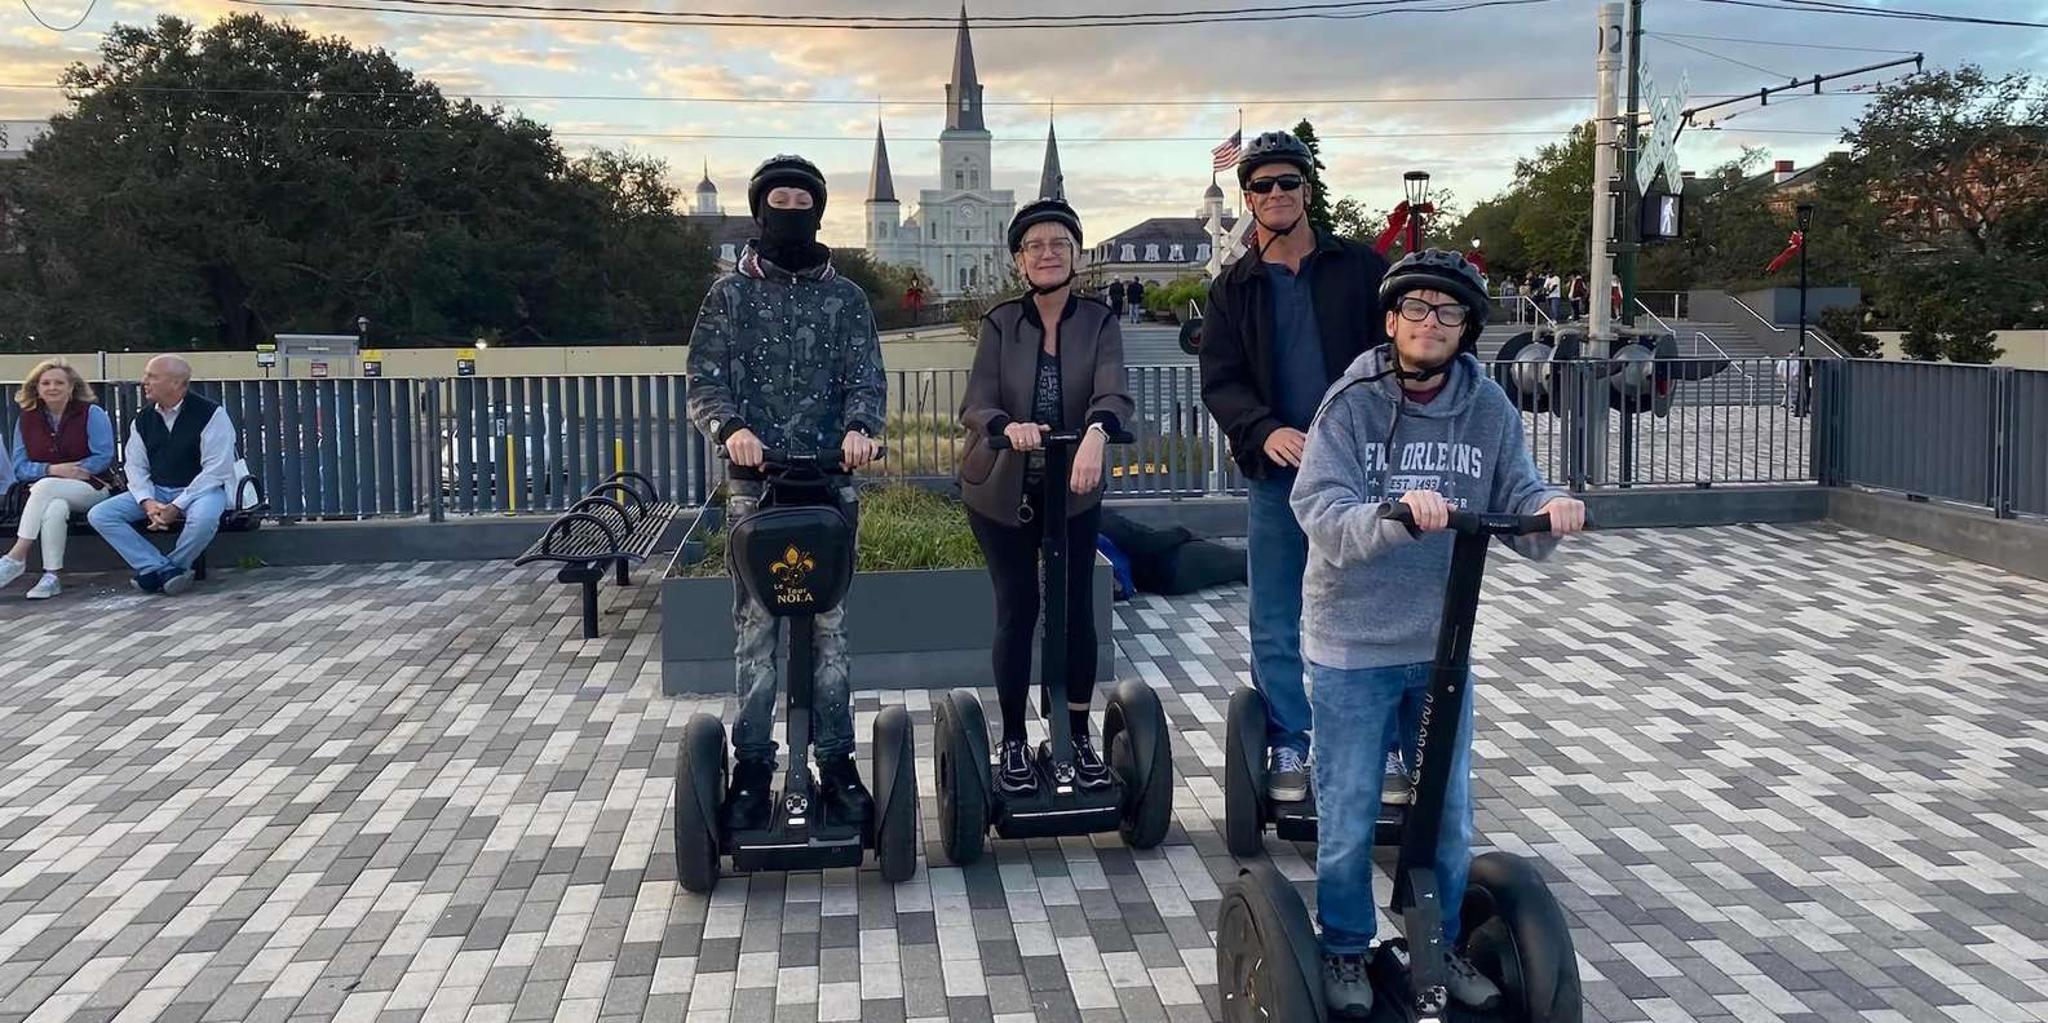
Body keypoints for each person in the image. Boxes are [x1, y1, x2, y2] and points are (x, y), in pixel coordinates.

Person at [1290, 248, 1586, 1015]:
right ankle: (1346, 949)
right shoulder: (1350, 402)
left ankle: (1440, 943)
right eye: (1415, 309)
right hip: (1353, 644)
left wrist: (1551, 505)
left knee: (1449, 812)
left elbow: (1517, 485)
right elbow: (1317, 507)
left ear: (1468, 328)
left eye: (1447, 312)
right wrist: (1391, 516)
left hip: (1440, 646)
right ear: (1392, 321)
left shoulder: (1487, 407)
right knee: (1351, 808)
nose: (1430, 323)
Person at [686, 153, 887, 834]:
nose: (791, 211)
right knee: (756, 628)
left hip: (831, 483)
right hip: (756, 488)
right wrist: (731, 428)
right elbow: (704, 382)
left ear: (819, 211)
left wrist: (862, 428)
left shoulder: (847, 299)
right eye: (780, 201)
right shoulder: (728, 296)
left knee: (830, 628)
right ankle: (751, 766)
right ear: (760, 208)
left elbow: (868, 380)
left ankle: (837, 762)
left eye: (804, 202)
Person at [1197, 129, 1393, 806]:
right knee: (1277, 616)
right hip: (1277, 473)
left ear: (1307, 191)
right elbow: (1220, 381)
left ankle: (1385, 745)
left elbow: (1395, 359)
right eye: (1261, 187)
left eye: (1287, 183)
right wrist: (1264, 428)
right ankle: (1290, 737)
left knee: (1374, 609)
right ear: (1247, 199)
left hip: (1358, 475)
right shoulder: (1234, 288)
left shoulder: (1364, 271)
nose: (1275, 195)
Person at [957, 198, 1135, 797]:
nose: (1048, 252)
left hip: (1073, 490)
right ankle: (1011, 738)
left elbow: (1113, 393)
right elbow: (976, 402)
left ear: (1076, 254)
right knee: (1019, 607)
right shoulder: (1001, 322)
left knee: (1075, 609)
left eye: (1060, 242)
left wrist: (1094, 433)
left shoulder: (1099, 322)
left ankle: (1075, 732)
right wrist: (1008, 426)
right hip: (1002, 490)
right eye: (1035, 245)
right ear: (1019, 261)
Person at [87, 355, 237, 595]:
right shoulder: (143, 419)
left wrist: (177, 506)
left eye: (152, 377)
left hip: (202, 491)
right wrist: (147, 502)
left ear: (177, 383)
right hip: (157, 490)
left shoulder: (212, 415)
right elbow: (135, 466)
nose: (144, 381)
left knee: (204, 520)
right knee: (101, 515)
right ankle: (161, 568)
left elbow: (216, 470)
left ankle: (172, 567)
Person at [2, 360, 117, 599]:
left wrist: (73, 470)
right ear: (37, 388)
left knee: (45, 487)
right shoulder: (26, 420)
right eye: (45, 383)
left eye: (59, 383)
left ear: (71, 387)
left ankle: (16, 556)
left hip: (92, 487)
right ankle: (51, 576)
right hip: (47, 491)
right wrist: (53, 469)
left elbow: (103, 456)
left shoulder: (91, 414)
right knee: (54, 506)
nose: (52, 387)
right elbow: (21, 467)